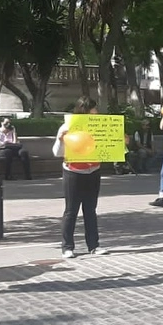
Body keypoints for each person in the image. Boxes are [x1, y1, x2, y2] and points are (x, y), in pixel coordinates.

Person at [53, 98, 110, 259]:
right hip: (73, 171)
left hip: (93, 170)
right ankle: (67, 247)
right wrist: (60, 140)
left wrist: (121, 142)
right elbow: (57, 153)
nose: (95, 113)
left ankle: (93, 245)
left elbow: (109, 145)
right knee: (71, 210)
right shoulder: (67, 127)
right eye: (92, 110)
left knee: (90, 210)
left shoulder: (100, 126)